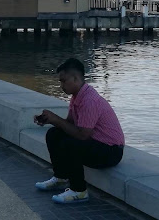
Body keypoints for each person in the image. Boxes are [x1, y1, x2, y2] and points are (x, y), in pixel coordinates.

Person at [34, 58, 124, 204]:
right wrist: (49, 120)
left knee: (71, 144)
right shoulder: (77, 96)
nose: (61, 85)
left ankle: (79, 191)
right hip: (95, 143)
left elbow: (82, 135)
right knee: (53, 134)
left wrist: (56, 119)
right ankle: (61, 178)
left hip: (111, 151)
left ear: (75, 78)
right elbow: (69, 124)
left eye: (63, 81)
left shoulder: (89, 101)